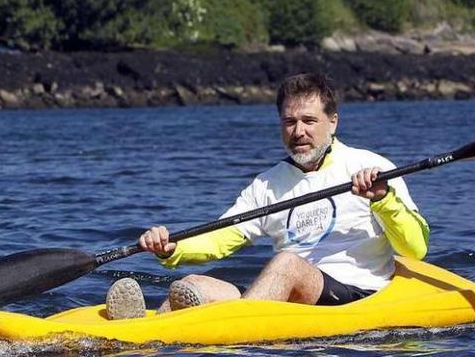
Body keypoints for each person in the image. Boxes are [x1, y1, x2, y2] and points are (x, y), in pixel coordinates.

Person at [105, 73, 430, 319]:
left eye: (308, 121)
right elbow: (220, 237)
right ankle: (143, 340)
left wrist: (383, 199)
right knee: (191, 285)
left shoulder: (372, 168)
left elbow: (415, 249)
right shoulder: (267, 184)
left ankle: (242, 330)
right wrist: (172, 247)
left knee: (287, 263)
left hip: (357, 296)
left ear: (332, 122)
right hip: (288, 298)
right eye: (289, 121)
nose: (298, 131)